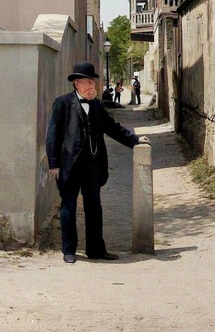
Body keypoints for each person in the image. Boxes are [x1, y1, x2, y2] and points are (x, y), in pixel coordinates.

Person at [46, 62, 149, 264]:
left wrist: (134, 140)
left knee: (94, 208)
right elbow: (53, 136)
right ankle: (69, 250)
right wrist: (54, 164)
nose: (92, 86)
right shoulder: (62, 104)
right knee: (68, 208)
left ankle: (96, 250)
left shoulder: (96, 105)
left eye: (93, 82)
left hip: (92, 166)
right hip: (69, 166)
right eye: (87, 82)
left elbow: (112, 128)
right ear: (77, 84)